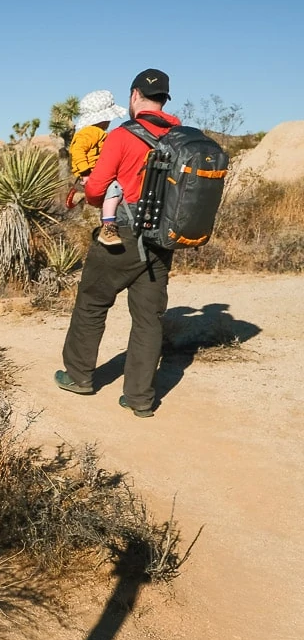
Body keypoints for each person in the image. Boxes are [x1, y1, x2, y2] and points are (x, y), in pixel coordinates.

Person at [54, 68, 180, 418]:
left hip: (122, 234)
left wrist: (93, 196)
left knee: (93, 300)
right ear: (164, 99)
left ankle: (79, 376)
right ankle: (140, 398)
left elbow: (97, 189)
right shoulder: (179, 136)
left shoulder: (122, 136)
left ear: (134, 95)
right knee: (149, 317)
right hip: (162, 238)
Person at [69, 90, 128, 246]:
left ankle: (83, 197)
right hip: (94, 172)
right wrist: (86, 173)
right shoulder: (92, 132)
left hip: (92, 171)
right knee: (115, 189)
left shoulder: (91, 131)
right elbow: (77, 150)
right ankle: (108, 228)